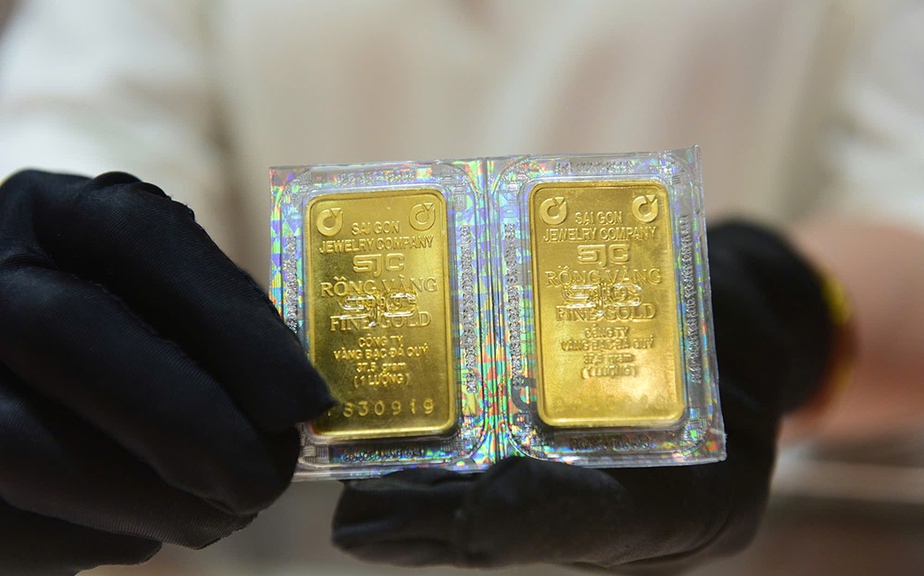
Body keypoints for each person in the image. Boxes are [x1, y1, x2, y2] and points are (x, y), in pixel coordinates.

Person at [0, 1, 922, 574]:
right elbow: (83, 118)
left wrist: (780, 317)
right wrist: (68, 315)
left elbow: (910, 194)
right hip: (269, 541)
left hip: (767, 536)